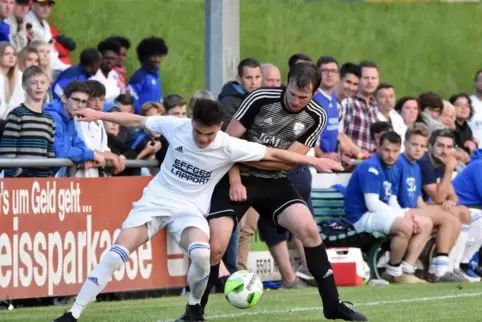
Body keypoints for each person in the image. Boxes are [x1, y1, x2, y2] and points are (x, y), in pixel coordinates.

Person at [51, 98, 342, 322]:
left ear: (219, 128)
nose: (204, 139)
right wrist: (99, 115)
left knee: (202, 254)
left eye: (210, 134)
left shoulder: (228, 145)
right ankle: (73, 313)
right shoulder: (175, 126)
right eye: (200, 133)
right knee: (116, 255)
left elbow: (274, 153)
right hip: (155, 202)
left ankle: (193, 309)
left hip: (190, 211)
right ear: (192, 123)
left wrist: (315, 161)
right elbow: (138, 120)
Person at [197, 62, 367, 321]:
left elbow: (288, 162)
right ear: (286, 84)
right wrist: (235, 181)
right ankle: (195, 311)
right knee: (216, 246)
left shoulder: (317, 115)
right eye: (293, 94)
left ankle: (333, 305)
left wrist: (253, 157)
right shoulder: (259, 99)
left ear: (314, 93)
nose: (297, 101)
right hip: (235, 175)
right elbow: (227, 146)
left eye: (304, 97)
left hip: (275, 181)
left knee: (309, 230)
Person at [344, 131, 431, 284]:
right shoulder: (370, 167)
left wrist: (405, 213)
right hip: (360, 216)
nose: (391, 155)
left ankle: (406, 269)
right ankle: (393, 272)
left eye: (395, 151)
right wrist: (402, 217)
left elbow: (392, 200)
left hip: (379, 214)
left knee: (425, 223)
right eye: (387, 150)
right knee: (405, 226)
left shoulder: (395, 167)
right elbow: (372, 204)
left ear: (400, 149)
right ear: (378, 148)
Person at [395, 123, 461, 281]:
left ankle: (443, 266)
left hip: (410, 209)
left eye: (421, 146)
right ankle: (439, 270)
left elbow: (419, 199)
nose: (418, 149)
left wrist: (431, 211)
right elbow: (438, 198)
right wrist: (449, 170)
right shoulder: (405, 163)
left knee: (451, 216)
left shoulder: (415, 167)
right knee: (448, 216)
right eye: (414, 145)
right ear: (405, 145)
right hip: (398, 211)